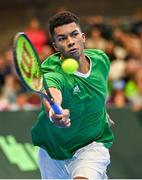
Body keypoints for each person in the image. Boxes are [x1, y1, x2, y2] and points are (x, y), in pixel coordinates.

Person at [31, 11, 114, 179]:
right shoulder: (53, 73)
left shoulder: (101, 60)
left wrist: (101, 111)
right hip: (53, 151)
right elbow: (51, 94)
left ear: (83, 37)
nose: (70, 42)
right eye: (62, 38)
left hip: (92, 145)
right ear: (55, 46)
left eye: (74, 34)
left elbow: (93, 91)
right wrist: (55, 113)